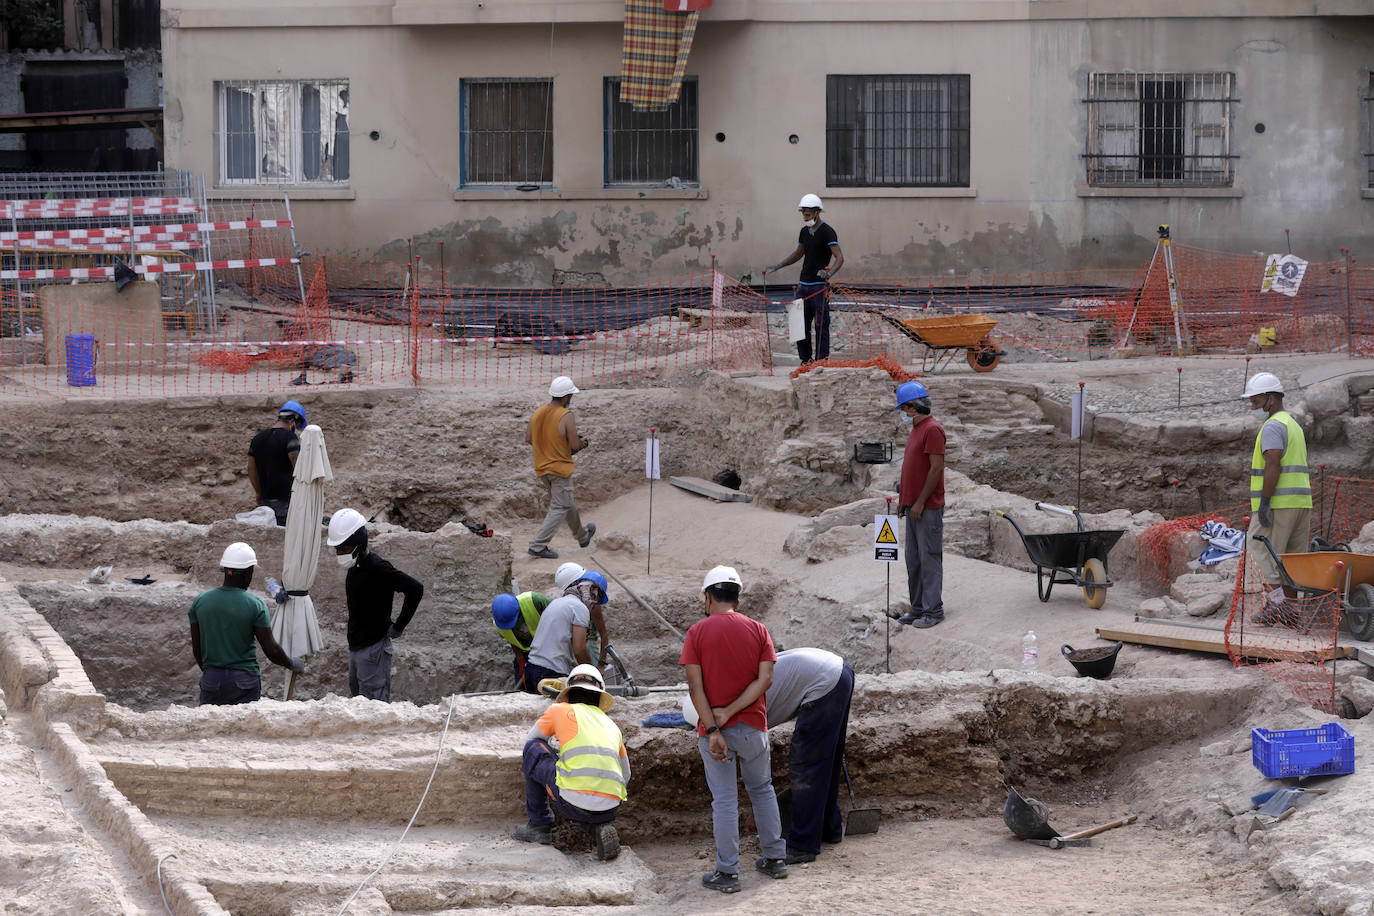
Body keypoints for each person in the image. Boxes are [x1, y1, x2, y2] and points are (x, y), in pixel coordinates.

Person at [681, 565, 787, 894]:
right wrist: (734, 711)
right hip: (753, 727)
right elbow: (765, 679)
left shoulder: (696, 633)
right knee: (762, 789)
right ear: (737, 600)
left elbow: (696, 689)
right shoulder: (758, 630)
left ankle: (728, 873)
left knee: (725, 800)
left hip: (714, 732)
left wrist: (714, 726)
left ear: (708, 597)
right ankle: (775, 859)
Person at [514, 664, 629, 861]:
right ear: (599, 696)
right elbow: (626, 775)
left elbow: (532, 740)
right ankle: (598, 827)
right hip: (610, 808)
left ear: (569, 692)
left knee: (533, 750)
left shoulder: (559, 709)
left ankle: (539, 824)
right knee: (586, 802)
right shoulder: (611, 725)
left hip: (571, 803)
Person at [765, 648, 854, 863]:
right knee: (827, 763)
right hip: (838, 670)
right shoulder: (744, 681)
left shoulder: (739, 705)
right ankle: (829, 828)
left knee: (806, 766)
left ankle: (802, 845)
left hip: (823, 681)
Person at [327, 508, 425, 701]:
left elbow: (415, 589)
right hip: (356, 649)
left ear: (359, 544)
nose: (340, 554)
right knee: (358, 705)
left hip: (373, 650)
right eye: (337, 549)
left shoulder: (378, 568)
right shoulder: (355, 566)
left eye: (344, 549)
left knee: (373, 707)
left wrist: (399, 626)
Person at [188, 541, 303, 705]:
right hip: (244, 681)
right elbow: (271, 649)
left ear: (225, 571)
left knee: (213, 728)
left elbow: (197, 649)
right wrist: (291, 663)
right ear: (247, 573)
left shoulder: (200, 602)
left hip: (212, 680)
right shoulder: (255, 605)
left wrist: (211, 673)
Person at [1243, 372, 1312, 597]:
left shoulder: (1273, 426)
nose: (1252, 403)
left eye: (1255, 399)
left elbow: (1273, 464)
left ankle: (1277, 608)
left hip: (1279, 504)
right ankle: (1291, 611)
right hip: (1301, 503)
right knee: (1291, 559)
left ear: (1271, 398)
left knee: (1260, 551)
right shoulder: (1293, 424)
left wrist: (1264, 502)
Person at [763, 193, 844, 364]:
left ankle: (821, 361)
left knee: (821, 325)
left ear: (816, 212)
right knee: (800, 325)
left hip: (818, 287)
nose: (804, 217)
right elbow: (798, 253)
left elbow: (839, 258)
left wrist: (829, 274)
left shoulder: (828, 232)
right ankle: (805, 360)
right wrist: (779, 265)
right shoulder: (804, 232)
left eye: (807, 214)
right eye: (803, 213)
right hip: (803, 286)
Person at [895, 380, 946, 628]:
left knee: (929, 558)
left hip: (928, 508)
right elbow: (912, 469)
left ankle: (933, 610)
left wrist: (920, 502)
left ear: (913, 407)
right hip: (913, 506)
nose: (903, 414)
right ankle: (918, 608)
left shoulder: (932, 429)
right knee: (913, 559)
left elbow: (936, 469)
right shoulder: (917, 428)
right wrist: (905, 500)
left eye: (904, 409)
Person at [526, 376, 595, 559]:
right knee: (559, 506)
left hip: (542, 468)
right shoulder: (566, 416)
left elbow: (529, 439)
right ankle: (538, 545)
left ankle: (582, 536)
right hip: (559, 469)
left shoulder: (538, 413)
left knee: (565, 502)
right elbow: (573, 446)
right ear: (566, 397)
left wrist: (551, 445)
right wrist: (583, 443)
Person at [522, 571, 610, 694]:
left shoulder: (556, 603)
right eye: (596, 599)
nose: (593, 605)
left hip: (531, 668)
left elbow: (555, 643)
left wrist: (572, 663)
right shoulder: (579, 608)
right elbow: (579, 650)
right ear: (592, 590)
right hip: (550, 674)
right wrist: (592, 673)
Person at [247, 400, 306, 525]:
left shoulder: (257, 438)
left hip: (265, 501)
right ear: (292, 422)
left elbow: (251, 469)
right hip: (286, 501)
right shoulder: (290, 438)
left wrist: (258, 493)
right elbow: (299, 469)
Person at [492, 589, 550, 686]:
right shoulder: (499, 623)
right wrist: (521, 660)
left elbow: (557, 618)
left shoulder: (534, 601)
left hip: (550, 645)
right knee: (524, 680)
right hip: (527, 653)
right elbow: (513, 641)